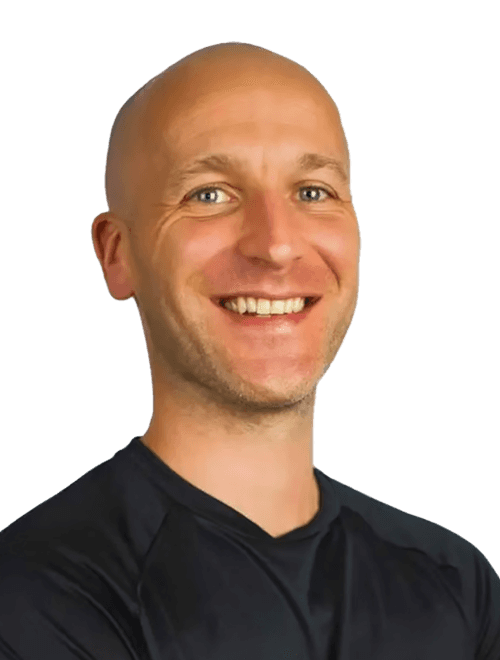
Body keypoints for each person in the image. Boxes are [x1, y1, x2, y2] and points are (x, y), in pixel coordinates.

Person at [0, 42, 498, 660]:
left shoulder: (455, 584)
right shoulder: (34, 597)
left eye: (313, 192)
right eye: (210, 195)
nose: (277, 245)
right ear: (117, 253)